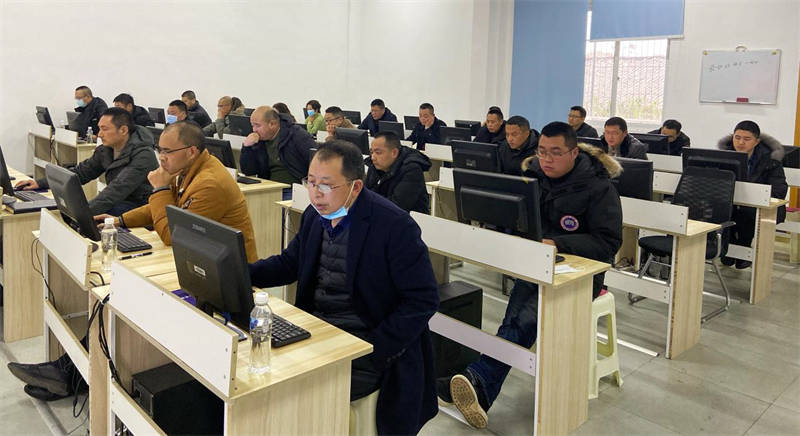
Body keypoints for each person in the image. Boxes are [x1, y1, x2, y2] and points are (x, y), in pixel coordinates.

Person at [438, 121, 622, 429]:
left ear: (574, 153)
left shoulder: (599, 188)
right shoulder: (533, 177)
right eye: (542, 151)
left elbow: (609, 243)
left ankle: (479, 380)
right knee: (514, 321)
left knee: (523, 320)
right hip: (538, 265)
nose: (546, 159)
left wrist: (557, 243)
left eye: (555, 152)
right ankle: (479, 384)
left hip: (580, 276)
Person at [248, 140, 439, 435]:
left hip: (368, 345)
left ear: (356, 187)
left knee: (294, 391)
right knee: (259, 378)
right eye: (311, 182)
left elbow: (423, 300)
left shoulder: (393, 225)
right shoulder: (315, 215)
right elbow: (289, 263)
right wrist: (243, 273)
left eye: (326, 185)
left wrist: (377, 349)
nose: (316, 193)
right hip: (319, 333)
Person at [15, 107, 158, 216]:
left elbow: (116, 190)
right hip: (119, 202)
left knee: (80, 218)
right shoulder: (106, 150)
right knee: (65, 213)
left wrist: (83, 213)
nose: (99, 134)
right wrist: (40, 183)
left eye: (104, 129)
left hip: (140, 208)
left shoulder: (144, 155)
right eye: (99, 128)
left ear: (123, 130)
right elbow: (81, 172)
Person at [718, 120, 787, 269]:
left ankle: (741, 248)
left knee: (745, 214)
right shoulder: (723, 156)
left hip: (758, 207)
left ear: (757, 141)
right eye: (737, 137)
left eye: (747, 139)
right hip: (731, 203)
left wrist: (755, 194)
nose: (741, 142)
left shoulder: (771, 160)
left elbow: (779, 189)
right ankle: (728, 247)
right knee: (718, 211)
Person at [240, 106, 316, 195]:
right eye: (252, 125)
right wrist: (247, 147)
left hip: (292, 189)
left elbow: (315, 160)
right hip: (269, 187)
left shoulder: (296, 135)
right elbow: (248, 171)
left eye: (257, 125)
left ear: (272, 124)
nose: (254, 130)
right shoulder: (259, 140)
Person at [365, 131, 431, 214]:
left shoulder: (412, 170)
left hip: (408, 219)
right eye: (371, 152)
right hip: (379, 215)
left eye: (378, 153)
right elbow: (364, 194)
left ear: (394, 153)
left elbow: (397, 206)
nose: (373, 157)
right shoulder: (375, 166)